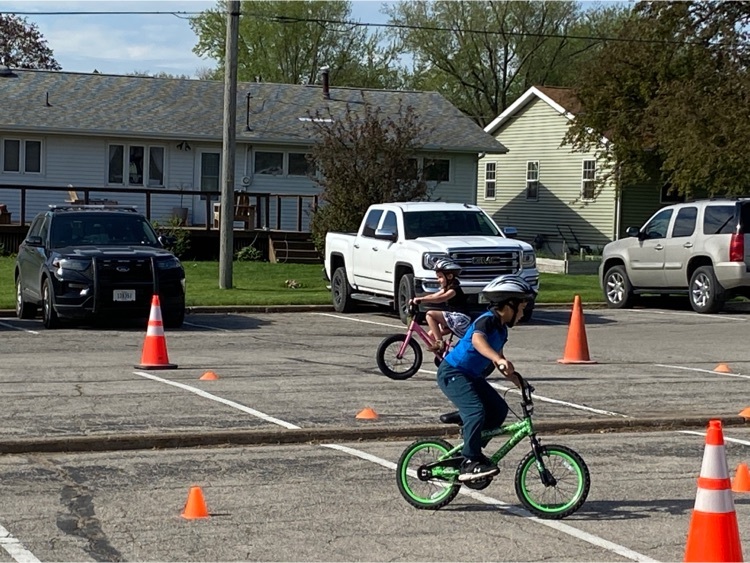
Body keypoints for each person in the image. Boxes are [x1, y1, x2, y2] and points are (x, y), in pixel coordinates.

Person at [436, 274, 537, 482]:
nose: (522, 314)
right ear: (509, 305)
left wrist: (519, 382)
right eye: (521, 308)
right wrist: (497, 358)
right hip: (453, 372)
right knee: (476, 411)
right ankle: (469, 461)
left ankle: (470, 448)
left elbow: (498, 360)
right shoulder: (487, 320)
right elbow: (478, 340)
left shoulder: (501, 330)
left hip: (471, 376)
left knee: (499, 410)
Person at [410, 259, 471, 353]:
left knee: (430, 314)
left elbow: (440, 298)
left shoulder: (453, 290)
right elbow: (433, 296)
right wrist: (417, 299)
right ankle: (443, 356)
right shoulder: (446, 288)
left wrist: (422, 300)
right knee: (430, 335)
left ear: (449, 276)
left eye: (440, 277)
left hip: (460, 319)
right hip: (453, 318)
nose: (438, 280)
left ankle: (439, 343)